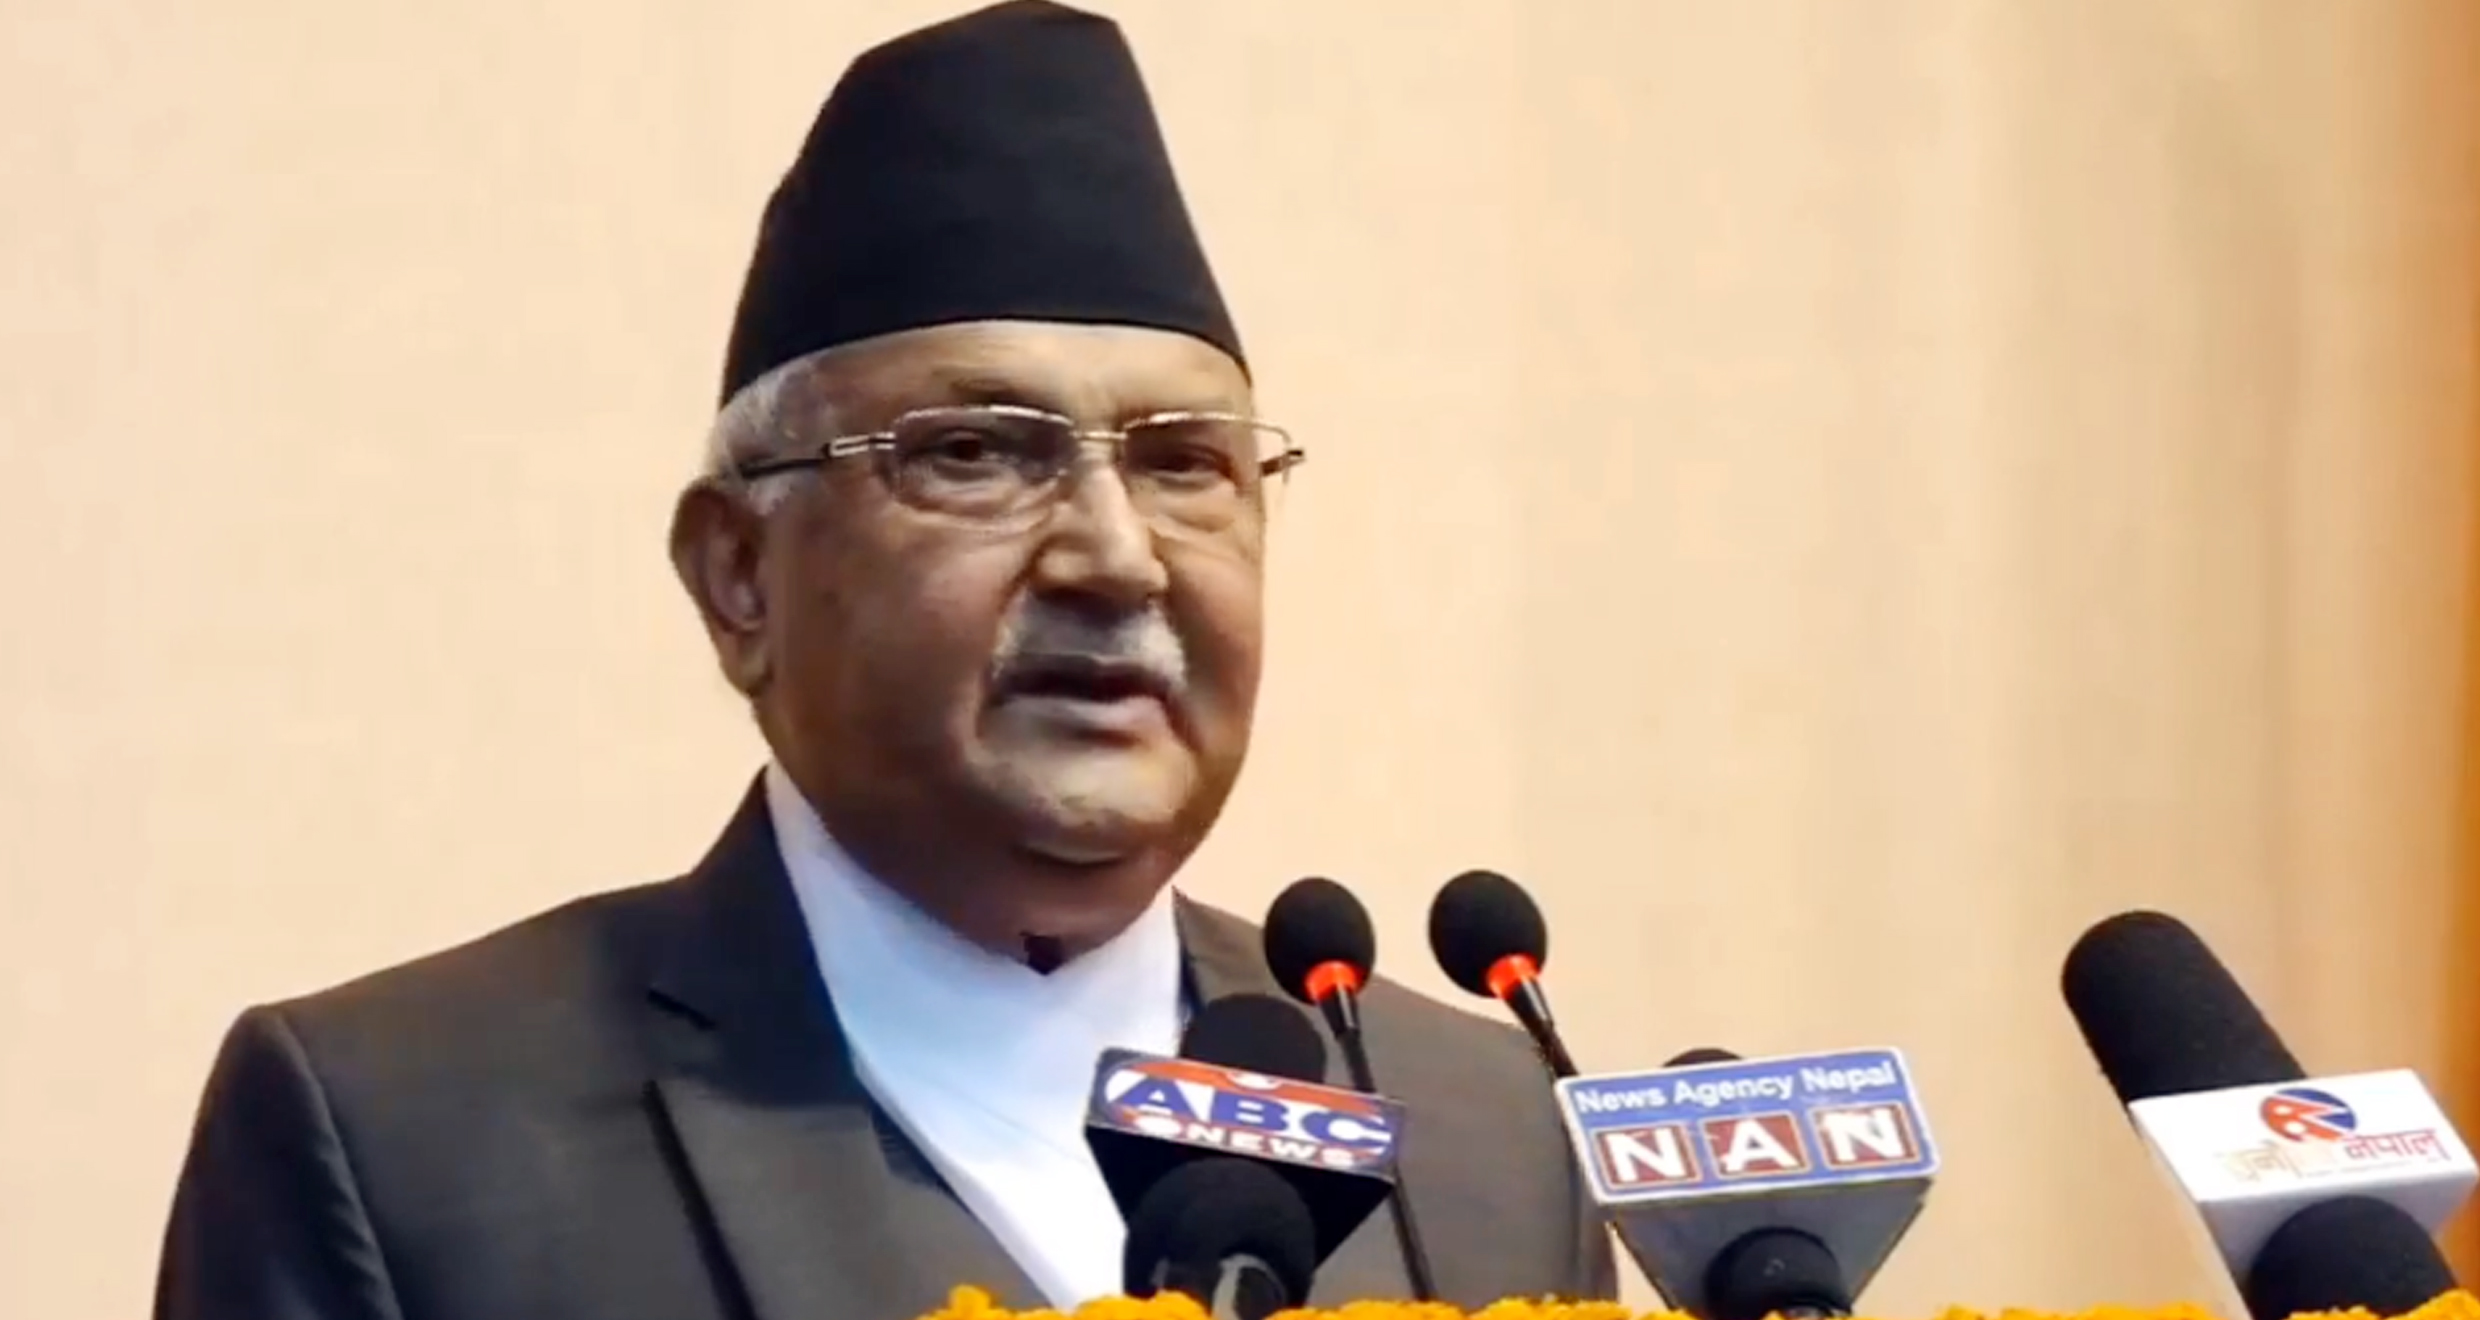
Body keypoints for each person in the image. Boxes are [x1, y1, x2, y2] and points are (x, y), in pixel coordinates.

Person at [153, 5, 1617, 1319]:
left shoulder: (1479, 1136)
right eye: (976, 453)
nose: (1117, 557)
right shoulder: (412, 1138)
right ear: (740, 574)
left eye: (1186, 463)